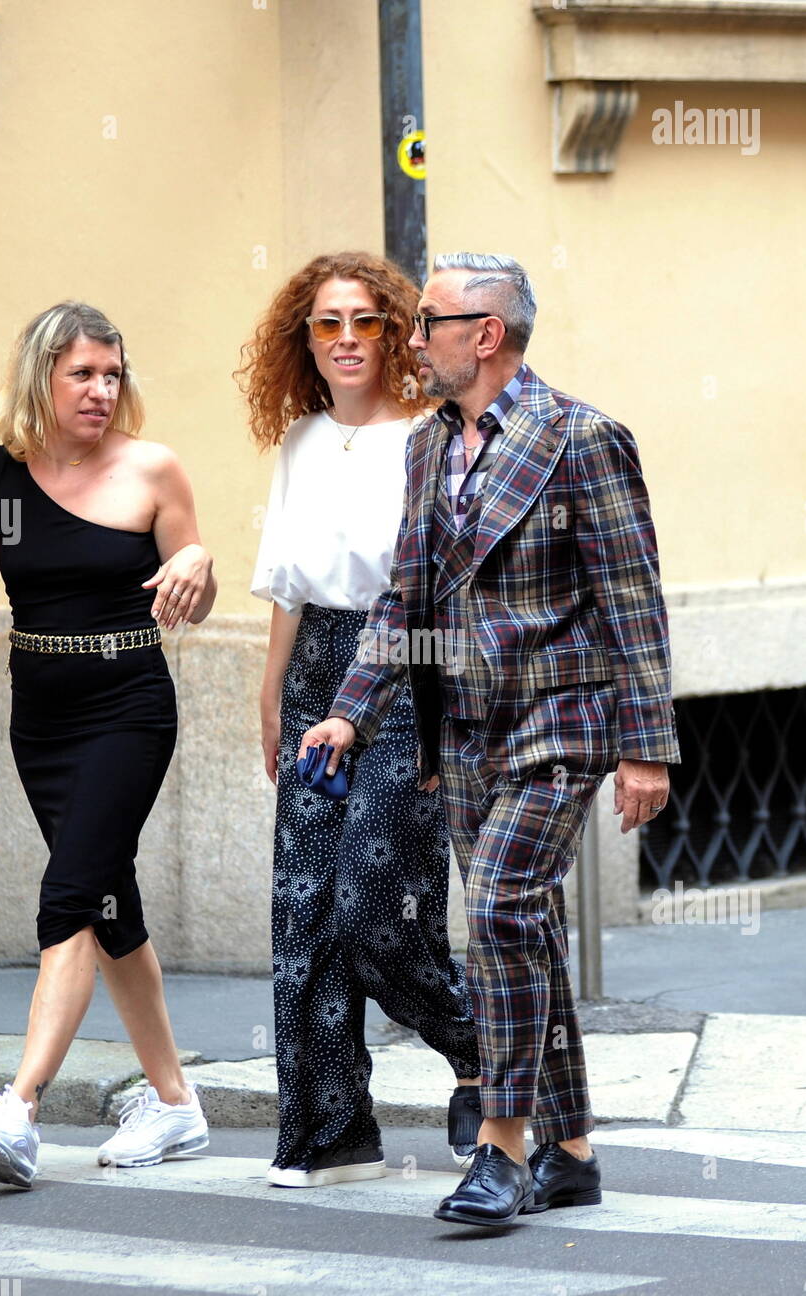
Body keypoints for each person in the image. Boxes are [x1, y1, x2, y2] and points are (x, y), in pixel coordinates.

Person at [300, 253, 681, 1226]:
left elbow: (631, 599)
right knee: (530, 934)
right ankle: (575, 1150)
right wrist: (350, 706)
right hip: (464, 733)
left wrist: (647, 745)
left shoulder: (581, 440)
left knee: (505, 908)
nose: (408, 338)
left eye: (425, 321)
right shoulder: (430, 446)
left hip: (561, 718)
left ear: (486, 333)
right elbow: (408, 594)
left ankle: (501, 1147)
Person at [0, 301, 216, 1189]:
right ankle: (176, 1104)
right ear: (42, 377)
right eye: (83, 374)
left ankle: (20, 1107)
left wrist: (198, 565)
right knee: (110, 907)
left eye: (113, 374)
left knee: (71, 890)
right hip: (41, 718)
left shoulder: (153, 470)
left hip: (128, 707)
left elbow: (197, 589)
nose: (101, 391)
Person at [237, 251, 483, 1187]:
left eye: (364, 321)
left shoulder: (431, 436)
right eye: (326, 324)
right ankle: (329, 1131)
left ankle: (483, 1052)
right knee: (303, 910)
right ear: (305, 340)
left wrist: (437, 716)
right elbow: (288, 587)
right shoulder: (299, 440)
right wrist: (271, 696)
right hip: (311, 678)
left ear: (394, 332)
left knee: (375, 904)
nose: (345, 339)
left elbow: (436, 591)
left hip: (405, 674)